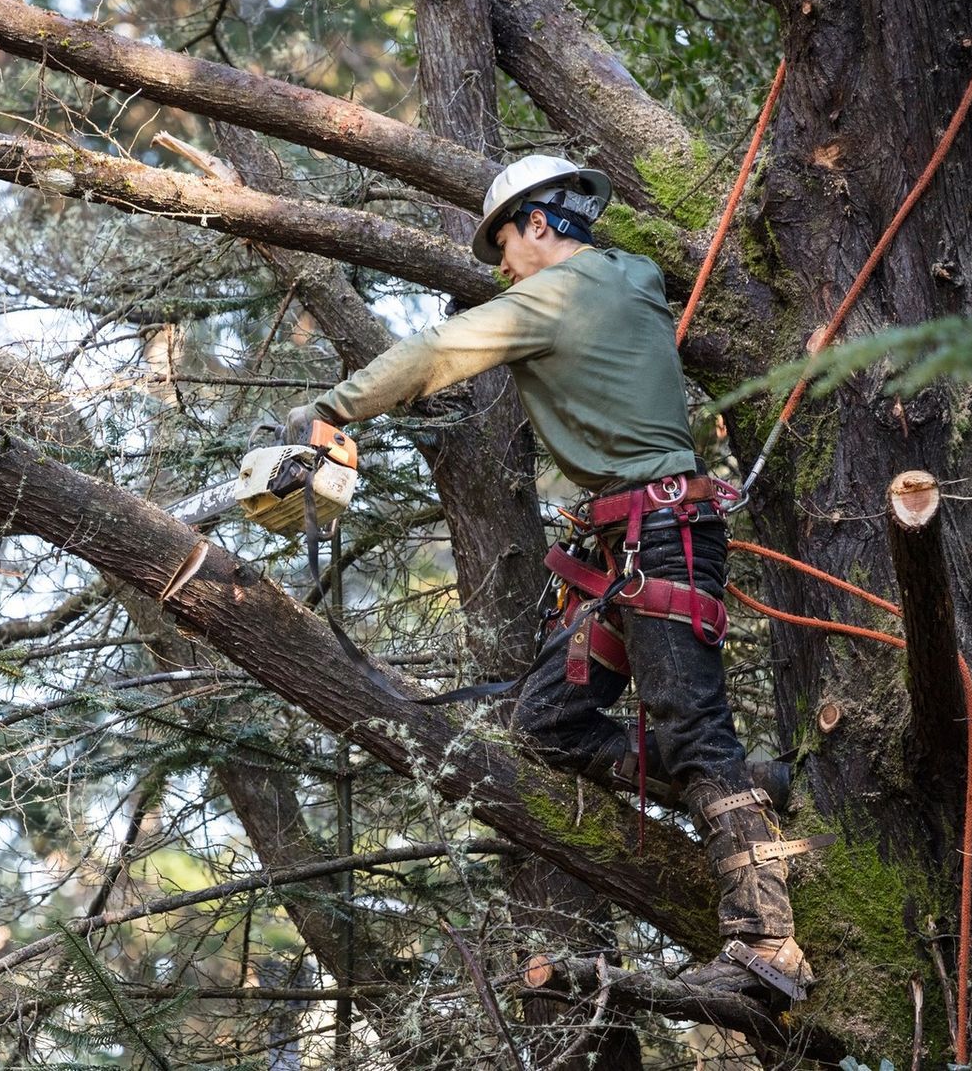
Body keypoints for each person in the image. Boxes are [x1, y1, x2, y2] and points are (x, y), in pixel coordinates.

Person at [284, 155, 823, 1004]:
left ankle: (767, 941)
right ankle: (754, 790)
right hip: (638, 541)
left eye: (503, 243)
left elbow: (436, 352)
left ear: (539, 223)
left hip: (659, 537)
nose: (499, 268)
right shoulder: (632, 278)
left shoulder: (553, 297)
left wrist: (333, 411)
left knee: (691, 726)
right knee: (548, 721)